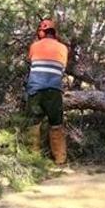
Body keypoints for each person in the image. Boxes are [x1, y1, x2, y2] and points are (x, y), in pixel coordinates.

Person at [25, 18, 69, 165]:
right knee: (56, 124)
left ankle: (34, 159)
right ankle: (60, 159)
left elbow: (30, 62)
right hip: (54, 90)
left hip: (35, 90)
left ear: (42, 32)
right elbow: (62, 68)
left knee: (33, 124)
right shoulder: (63, 48)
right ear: (54, 33)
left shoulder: (34, 46)